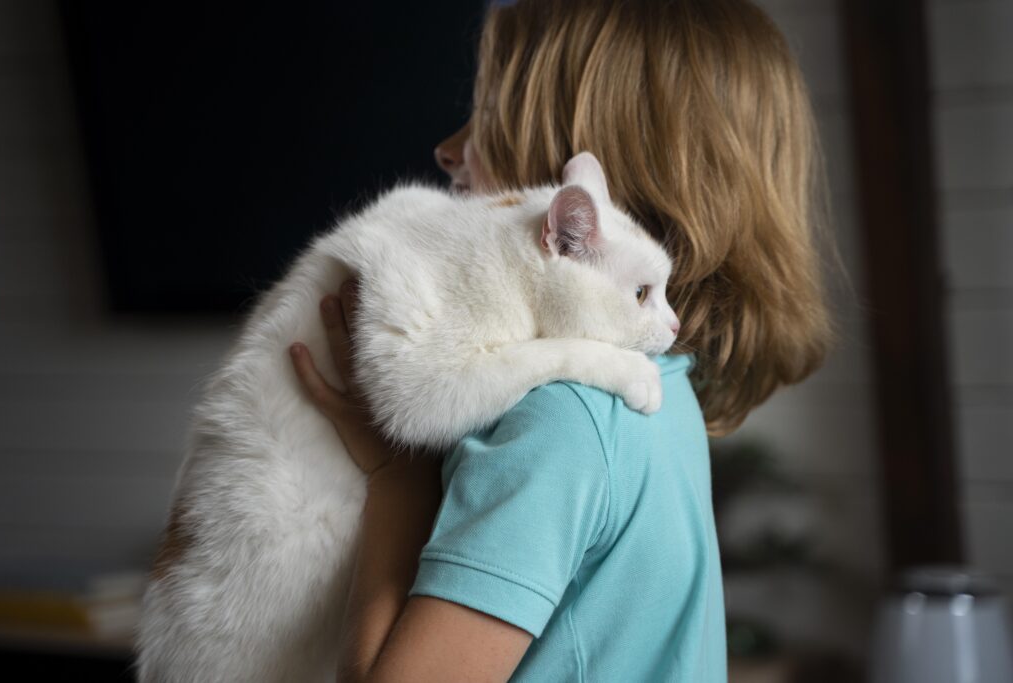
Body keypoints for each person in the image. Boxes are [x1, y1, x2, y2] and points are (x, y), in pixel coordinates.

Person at [288, 0, 832, 680]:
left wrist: (394, 475)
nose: (447, 150)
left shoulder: (563, 418)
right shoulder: (655, 386)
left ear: (576, 212)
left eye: (484, 115)